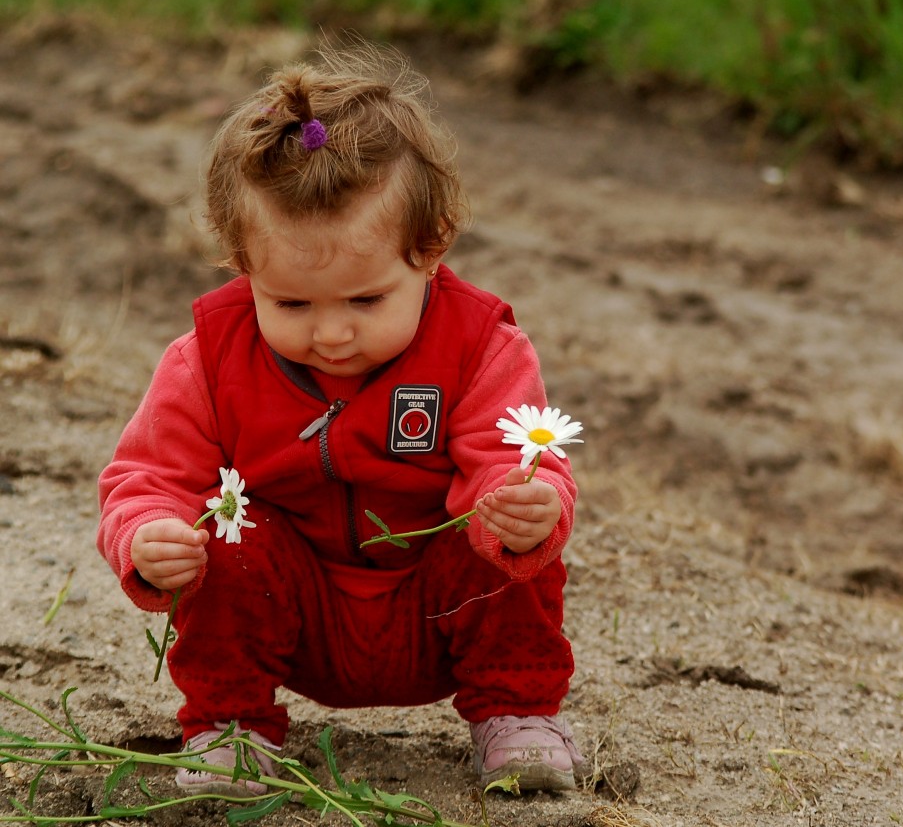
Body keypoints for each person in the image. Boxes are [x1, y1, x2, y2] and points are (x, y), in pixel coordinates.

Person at [96, 41, 586, 794]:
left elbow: (512, 450)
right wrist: (146, 535)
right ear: (242, 264)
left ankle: (517, 715)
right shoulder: (209, 356)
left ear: (431, 248)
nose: (330, 334)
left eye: (365, 300)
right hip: (291, 616)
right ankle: (229, 727)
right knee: (226, 529)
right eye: (291, 303)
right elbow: (146, 476)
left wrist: (525, 504)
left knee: (500, 515)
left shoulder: (479, 343)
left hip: (435, 607)